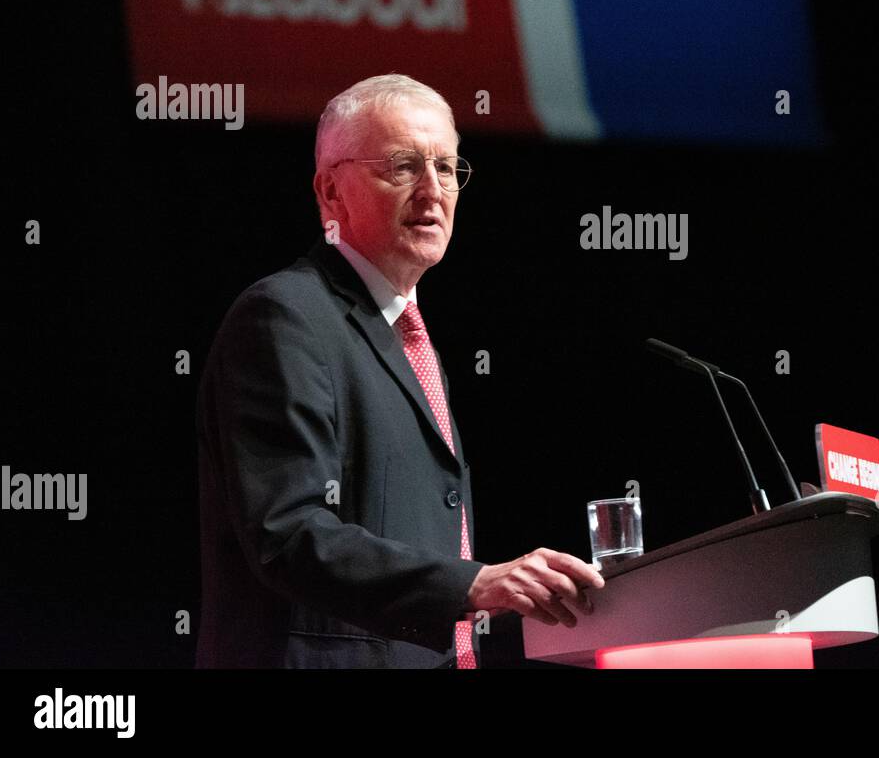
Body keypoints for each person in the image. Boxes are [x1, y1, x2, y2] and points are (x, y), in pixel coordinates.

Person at [195, 74, 603, 668]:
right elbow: (288, 531)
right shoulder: (284, 317)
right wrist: (471, 585)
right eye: (403, 167)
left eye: (446, 167)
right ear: (331, 193)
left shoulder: (403, 328)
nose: (432, 190)